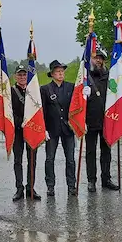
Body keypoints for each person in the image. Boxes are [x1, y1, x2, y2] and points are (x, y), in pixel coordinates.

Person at [85, 47, 119, 192]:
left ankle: (106, 179)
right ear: (91, 59)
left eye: (100, 58)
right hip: (90, 120)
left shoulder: (110, 76)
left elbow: (116, 94)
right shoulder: (85, 77)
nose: (98, 60)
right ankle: (91, 180)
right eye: (95, 58)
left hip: (107, 120)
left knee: (106, 152)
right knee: (90, 152)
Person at [40, 60, 76, 197]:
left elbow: (76, 106)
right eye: (58, 72)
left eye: (62, 71)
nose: (61, 74)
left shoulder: (71, 87)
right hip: (51, 129)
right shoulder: (45, 89)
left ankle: (71, 185)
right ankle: (50, 186)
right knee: (50, 159)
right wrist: (43, 128)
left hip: (68, 128)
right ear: (52, 74)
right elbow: (42, 110)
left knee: (70, 159)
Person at [11, 64, 41, 201]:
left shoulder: (34, 90)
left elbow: (40, 110)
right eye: (20, 75)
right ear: (15, 76)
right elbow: (8, 111)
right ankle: (19, 188)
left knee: (32, 160)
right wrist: (20, 122)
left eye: (24, 75)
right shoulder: (10, 92)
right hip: (17, 130)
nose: (22, 77)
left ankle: (31, 188)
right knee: (18, 160)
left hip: (33, 130)